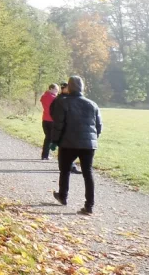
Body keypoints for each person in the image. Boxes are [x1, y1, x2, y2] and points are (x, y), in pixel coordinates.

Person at [50, 75, 102, 215]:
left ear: (70, 87)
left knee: (65, 170)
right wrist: (92, 139)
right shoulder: (92, 104)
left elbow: (58, 124)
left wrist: (54, 141)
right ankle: (89, 205)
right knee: (87, 173)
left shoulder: (63, 102)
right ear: (82, 87)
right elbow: (98, 126)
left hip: (68, 143)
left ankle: (63, 196)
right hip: (88, 144)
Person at [49, 83, 80, 173]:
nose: (69, 89)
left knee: (71, 148)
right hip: (62, 127)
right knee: (63, 148)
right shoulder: (59, 100)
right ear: (63, 89)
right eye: (67, 88)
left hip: (72, 127)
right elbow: (52, 112)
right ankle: (64, 167)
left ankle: (71, 166)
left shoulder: (72, 98)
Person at [40, 84, 59, 160]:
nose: (57, 91)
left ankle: (44, 155)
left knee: (47, 138)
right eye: (56, 90)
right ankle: (45, 155)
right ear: (51, 89)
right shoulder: (54, 98)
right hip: (51, 120)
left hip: (45, 119)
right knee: (50, 138)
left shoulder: (43, 96)